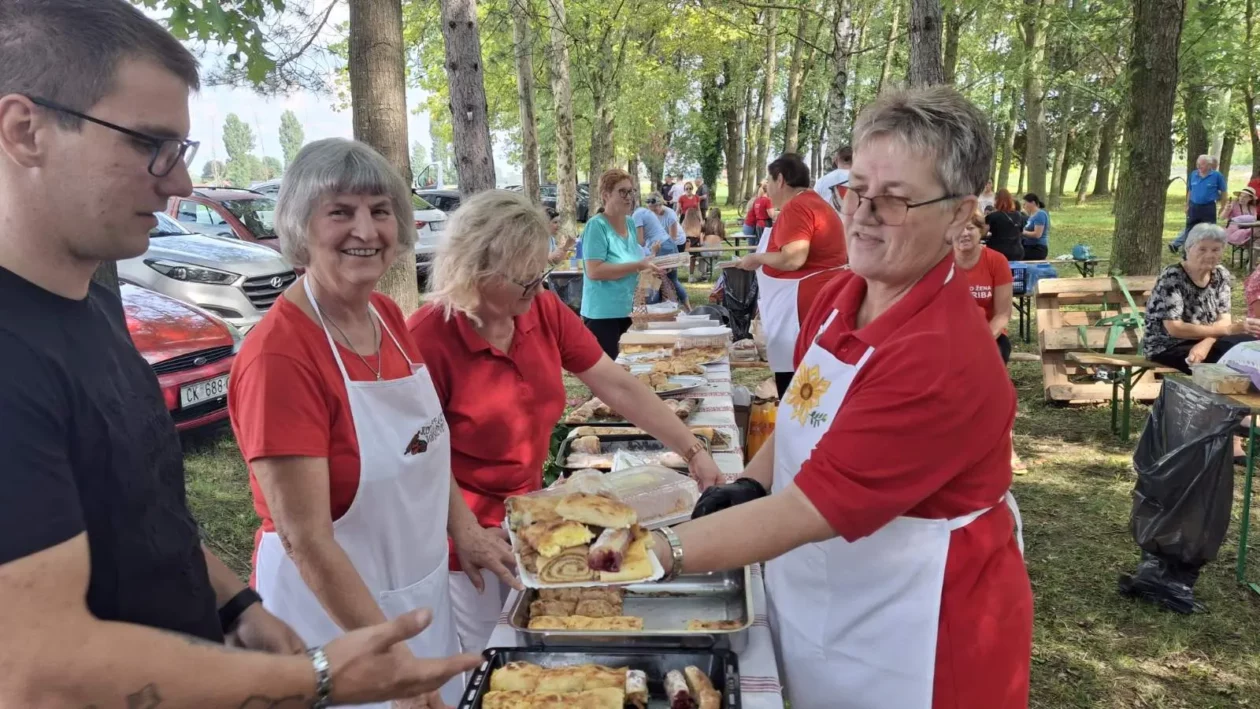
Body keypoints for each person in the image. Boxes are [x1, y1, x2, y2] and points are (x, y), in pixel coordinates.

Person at [0, 1, 479, 706]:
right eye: (148, 144)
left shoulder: (95, 307)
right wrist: (314, 675)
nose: (180, 185)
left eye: (182, 153)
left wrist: (236, 605)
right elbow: (37, 664)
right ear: (24, 130)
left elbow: (139, 512)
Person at [649, 86, 1031, 709]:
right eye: (855, 189)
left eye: (896, 199)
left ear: (962, 215)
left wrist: (654, 552)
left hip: (915, 637)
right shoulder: (841, 294)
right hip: (823, 593)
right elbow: (803, 412)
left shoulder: (943, 357)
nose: (862, 213)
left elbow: (806, 511)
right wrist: (749, 482)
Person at [229, 139, 514, 708]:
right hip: (336, 624)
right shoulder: (279, 356)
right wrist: (391, 662)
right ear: (298, 227)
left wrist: (466, 529)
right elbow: (305, 539)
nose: (366, 230)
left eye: (381, 211)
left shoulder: (384, 314)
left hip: (416, 591)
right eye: (340, 212)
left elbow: (424, 445)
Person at [408, 190, 723, 652]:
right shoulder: (426, 338)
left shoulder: (541, 308)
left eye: (542, 271)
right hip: (466, 540)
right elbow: (417, 458)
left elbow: (616, 385)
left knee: (550, 643)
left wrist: (692, 449)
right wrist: (467, 532)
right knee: (495, 654)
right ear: (476, 271)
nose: (539, 286)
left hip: (537, 517)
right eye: (524, 278)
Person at [735, 153, 848, 397]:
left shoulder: (797, 207)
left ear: (781, 179)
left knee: (797, 384)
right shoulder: (815, 203)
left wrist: (757, 258)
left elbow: (793, 258)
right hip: (815, 299)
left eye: (768, 181)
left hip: (801, 307)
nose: (767, 189)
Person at [1143, 223, 1260, 374]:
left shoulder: (1221, 275)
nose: (1210, 255)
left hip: (1209, 339)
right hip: (1169, 345)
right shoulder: (1172, 276)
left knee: (1248, 345)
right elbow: (1175, 328)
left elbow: (1224, 320)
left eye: (1216, 249)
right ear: (1188, 248)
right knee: (1231, 360)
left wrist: (1208, 341)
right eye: (1202, 249)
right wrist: (1226, 331)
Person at [580, 168, 664, 358]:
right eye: (622, 191)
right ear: (605, 195)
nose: (629, 197)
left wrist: (650, 267)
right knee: (607, 377)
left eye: (631, 191)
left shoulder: (630, 223)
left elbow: (634, 260)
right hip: (602, 314)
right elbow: (594, 271)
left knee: (630, 368)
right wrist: (638, 266)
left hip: (628, 310)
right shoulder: (597, 226)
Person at [956, 212, 1015, 362]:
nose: (964, 234)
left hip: (989, 333)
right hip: (949, 335)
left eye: (970, 228)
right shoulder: (937, 263)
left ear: (981, 231)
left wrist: (981, 341)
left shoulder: (997, 261)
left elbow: (1003, 313)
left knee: (992, 357)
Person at [634, 192, 688, 307]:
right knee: (671, 280)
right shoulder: (645, 213)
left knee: (653, 281)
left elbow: (640, 241)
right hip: (667, 244)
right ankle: (684, 307)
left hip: (662, 246)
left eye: (655, 206)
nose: (653, 209)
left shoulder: (637, 215)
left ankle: (656, 309)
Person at [1171, 155, 1227, 253]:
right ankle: (1186, 252)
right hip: (1194, 207)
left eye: (1202, 164)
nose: (1199, 166)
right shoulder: (1193, 174)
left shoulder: (1216, 176)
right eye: (1198, 164)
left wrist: (1223, 206)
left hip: (1208, 207)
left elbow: (1223, 192)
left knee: (1209, 231)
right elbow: (1190, 191)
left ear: (1209, 165)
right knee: (1190, 229)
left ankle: (1207, 250)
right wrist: (1187, 205)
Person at [984, 188, 1025, 261]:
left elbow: (983, 233)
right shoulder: (1019, 215)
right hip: (1017, 251)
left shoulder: (993, 216)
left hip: (997, 251)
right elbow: (1020, 232)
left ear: (997, 200)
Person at [813, 144, 852, 214]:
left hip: (827, 222)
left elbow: (813, 206)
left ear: (836, 160)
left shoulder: (821, 181)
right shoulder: (863, 181)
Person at [1020, 193, 1051, 260]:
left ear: (1033, 203)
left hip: (1037, 248)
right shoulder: (1031, 216)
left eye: (1025, 204)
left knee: (1018, 255)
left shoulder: (1040, 214)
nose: (1023, 206)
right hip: (1028, 246)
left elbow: (1037, 234)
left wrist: (1022, 232)